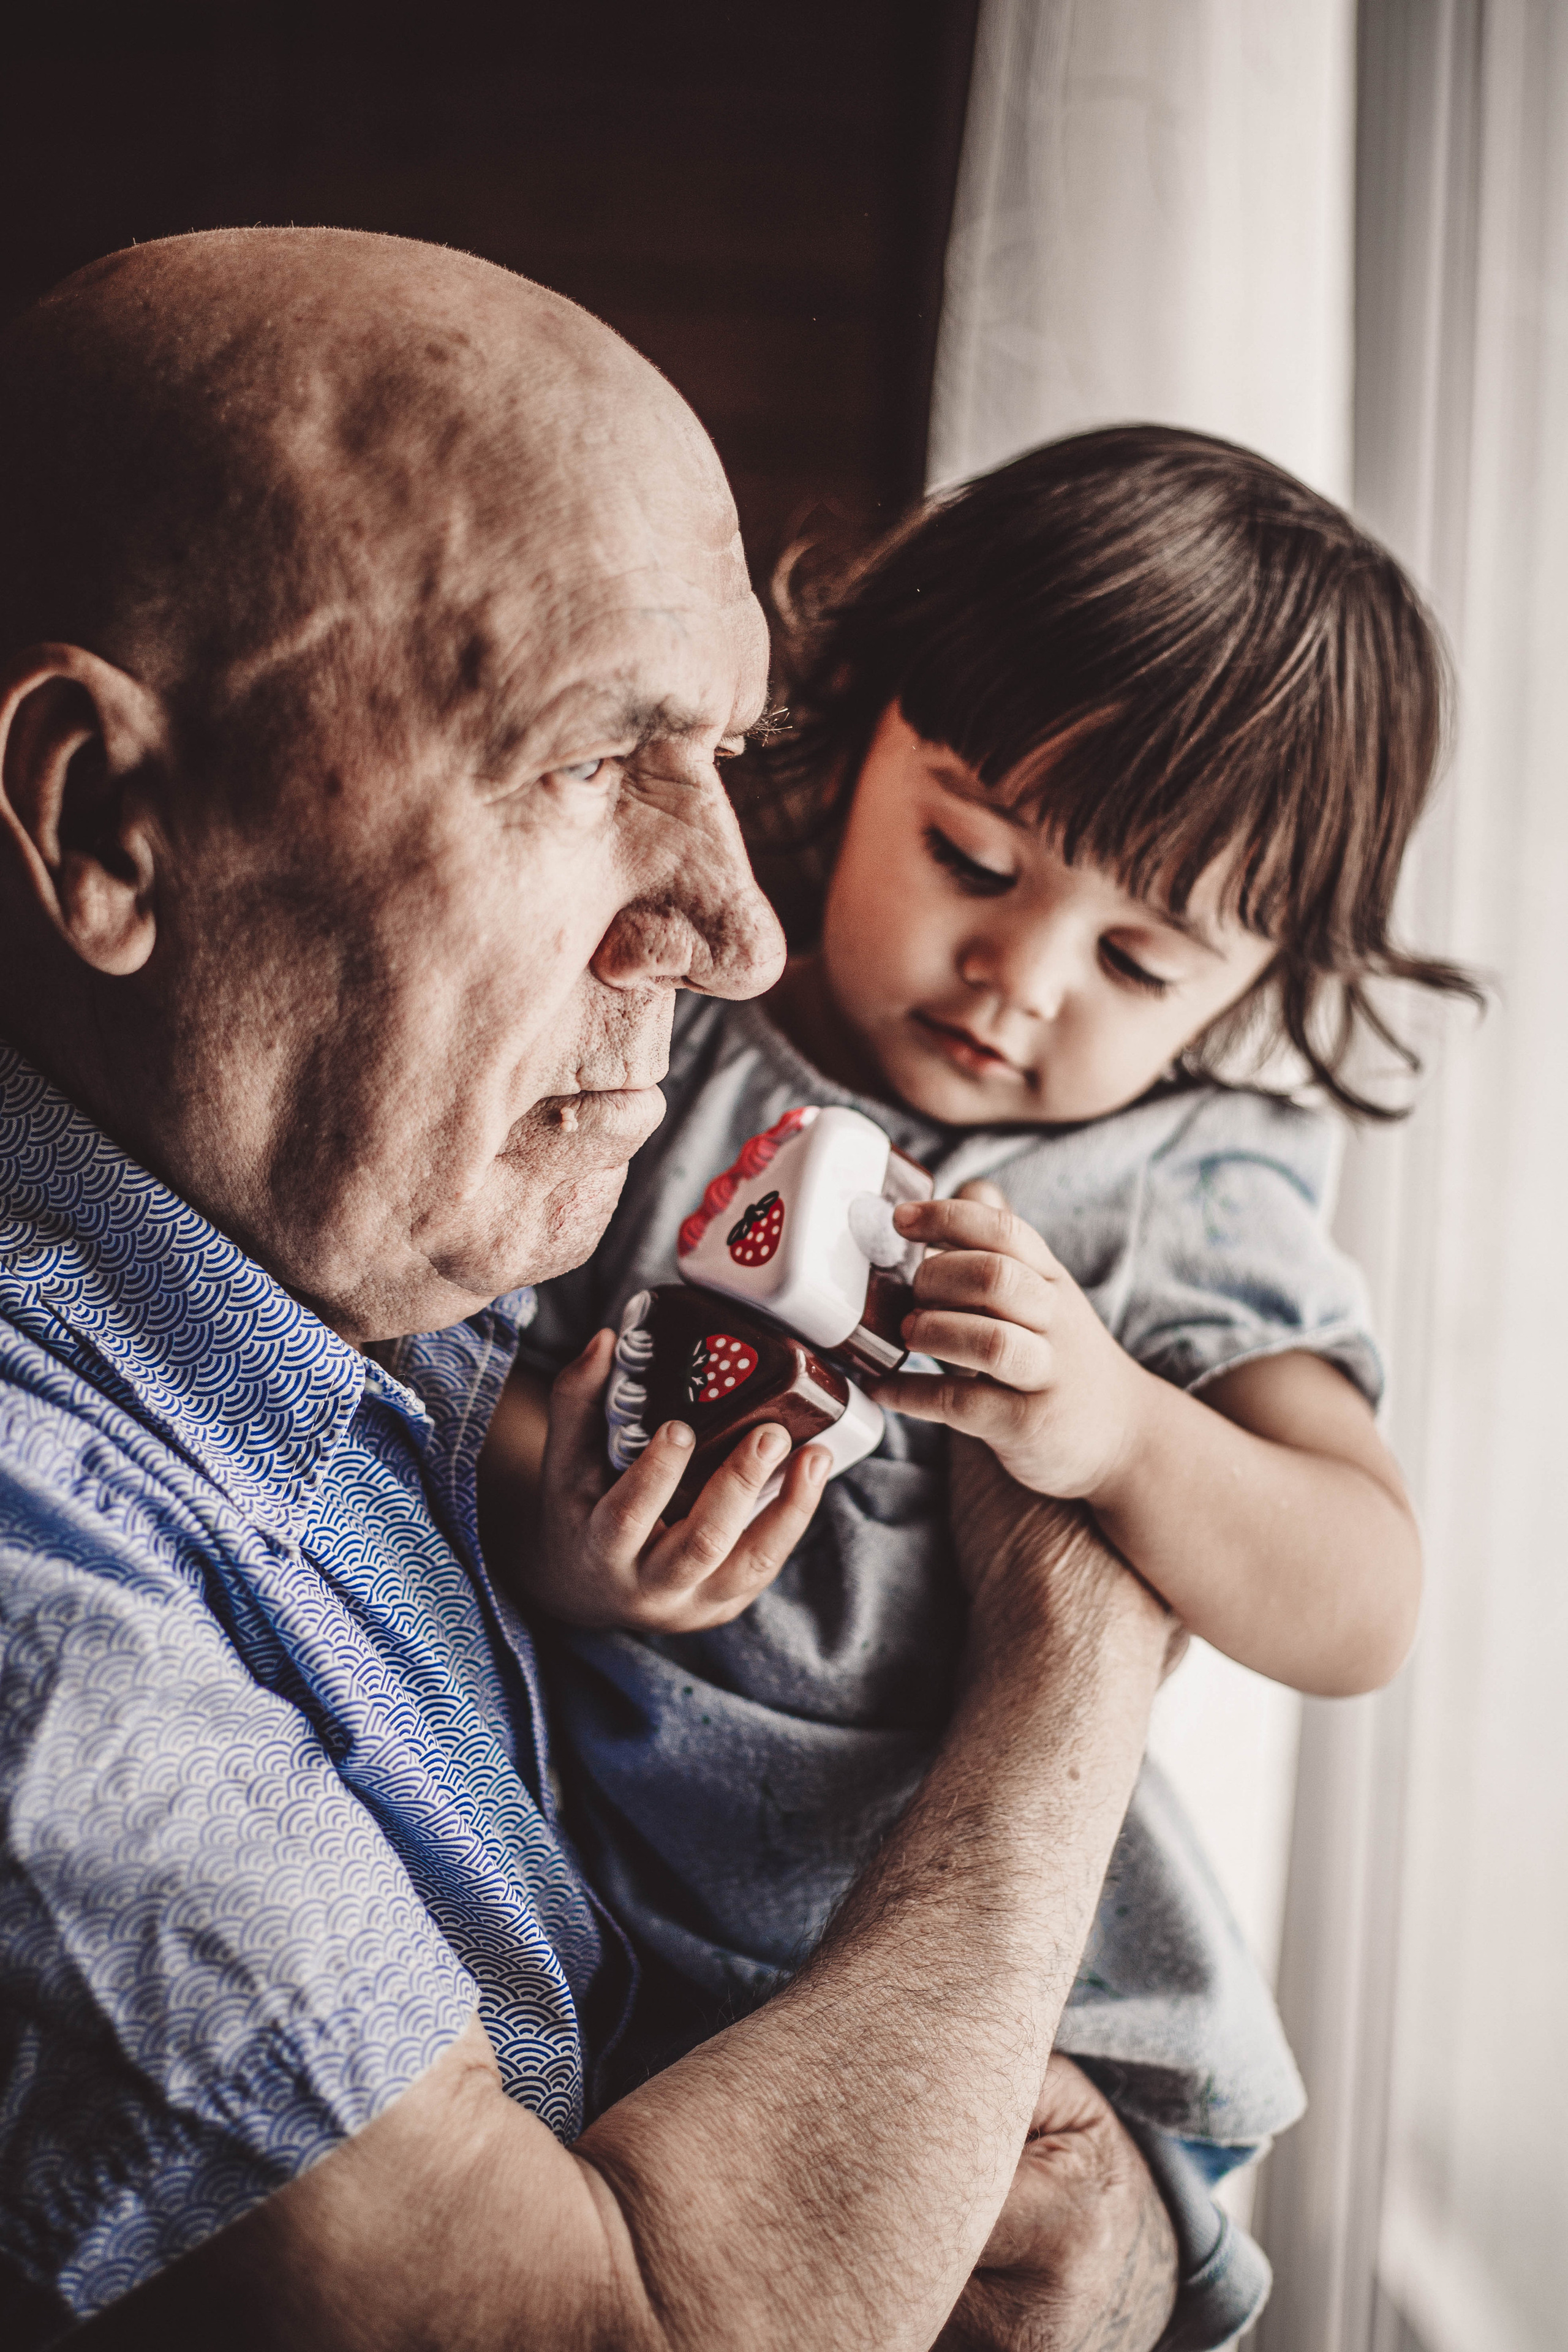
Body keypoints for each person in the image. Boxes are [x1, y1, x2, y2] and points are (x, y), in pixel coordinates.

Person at [0, 228, 1191, 2351]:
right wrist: (1078, 1659)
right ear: (108, 824)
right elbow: (611, 2329)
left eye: (725, 758)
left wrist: (1042, 2189)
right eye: (583, 758)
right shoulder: (34, 1564)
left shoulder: (378, 1242)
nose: (738, 931)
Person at [489, 430, 1479, 2319]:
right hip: (627, 1965)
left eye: (1138, 957)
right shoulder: (675, 1037)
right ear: (853, 734)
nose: (1015, 980)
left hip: (1039, 2023)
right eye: (970, 856)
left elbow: (1362, 1596)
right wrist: (566, 1530)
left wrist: (1118, 1424)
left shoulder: (1173, 1191)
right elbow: (469, 1390)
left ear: (1253, 987)